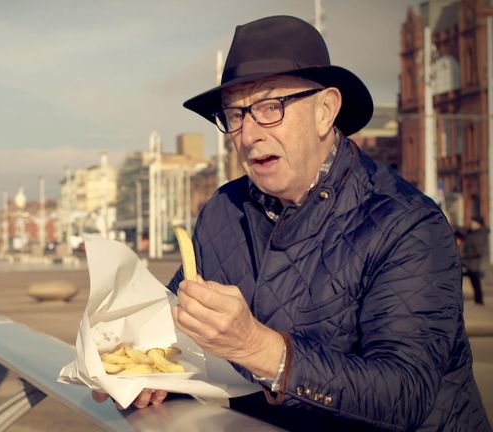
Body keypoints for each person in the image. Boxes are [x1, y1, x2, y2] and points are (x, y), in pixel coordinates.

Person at [92, 15, 490, 431]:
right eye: (235, 115)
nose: (247, 135)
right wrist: (146, 374)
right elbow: (178, 334)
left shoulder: (408, 224)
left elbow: (404, 393)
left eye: (269, 108)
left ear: (325, 111)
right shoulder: (222, 212)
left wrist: (259, 348)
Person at [462, 216, 489, 305]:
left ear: (479, 224)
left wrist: (465, 255)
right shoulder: (471, 232)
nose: (471, 224)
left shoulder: (480, 234)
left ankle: (479, 301)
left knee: (476, 283)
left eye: (474, 222)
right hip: (467, 262)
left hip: (474, 263)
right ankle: (478, 300)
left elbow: (479, 251)